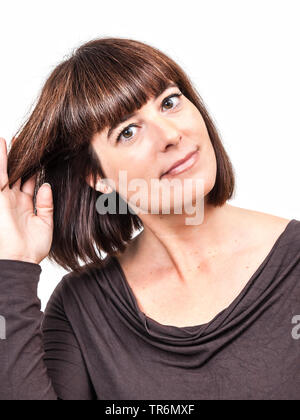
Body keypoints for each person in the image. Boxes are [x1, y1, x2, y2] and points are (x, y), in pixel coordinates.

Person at [0, 37, 299, 400]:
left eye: (170, 102)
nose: (171, 135)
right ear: (97, 177)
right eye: (128, 131)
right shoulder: (82, 309)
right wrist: (12, 267)